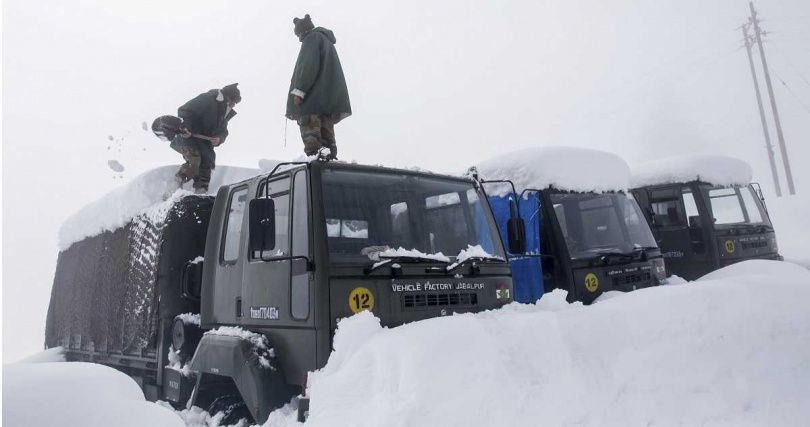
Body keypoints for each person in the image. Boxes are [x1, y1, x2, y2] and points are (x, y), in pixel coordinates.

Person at [286, 14, 351, 160]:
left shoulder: (311, 39)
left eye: (298, 34)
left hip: (311, 102)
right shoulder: (325, 40)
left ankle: (315, 165)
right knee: (327, 142)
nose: (299, 38)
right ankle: (328, 165)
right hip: (326, 103)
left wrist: (299, 92)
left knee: (312, 141)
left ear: (303, 31)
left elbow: (307, 67)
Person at [170, 83, 240, 194]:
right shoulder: (208, 99)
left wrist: (219, 139)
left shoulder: (225, 114)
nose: (234, 104)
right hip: (189, 138)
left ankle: (200, 194)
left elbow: (223, 131)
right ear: (227, 96)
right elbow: (185, 111)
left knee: (206, 168)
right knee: (194, 161)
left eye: (235, 102)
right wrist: (186, 128)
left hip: (205, 146)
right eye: (233, 100)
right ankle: (174, 187)